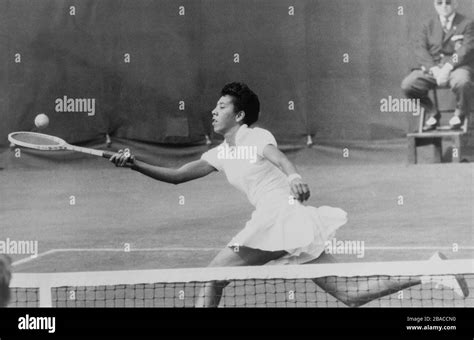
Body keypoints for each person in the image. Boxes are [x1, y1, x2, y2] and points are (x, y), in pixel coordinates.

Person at [111, 82, 468, 307]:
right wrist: (134, 164)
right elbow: (175, 177)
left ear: (240, 115)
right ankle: (428, 270)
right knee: (350, 295)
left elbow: (277, 157)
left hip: (278, 219)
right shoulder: (218, 153)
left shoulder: (254, 137)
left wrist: (294, 174)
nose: (214, 111)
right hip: (291, 225)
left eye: (222, 107)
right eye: (216, 106)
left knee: (212, 277)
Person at [401, 0, 474, 131]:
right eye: (439, 3)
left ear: (456, 4)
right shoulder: (427, 25)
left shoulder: (467, 23)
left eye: (448, 2)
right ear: (435, 5)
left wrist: (448, 67)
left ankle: (460, 114)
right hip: (433, 68)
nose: (444, 6)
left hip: (457, 67)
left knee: (462, 82)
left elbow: (466, 49)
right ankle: (432, 112)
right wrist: (433, 69)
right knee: (409, 85)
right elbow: (420, 49)